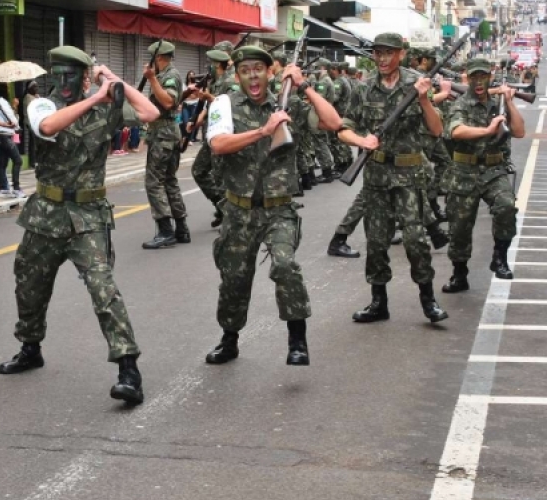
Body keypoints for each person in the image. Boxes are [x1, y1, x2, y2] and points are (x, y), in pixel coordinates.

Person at [0, 45, 160, 406]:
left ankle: (128, 369)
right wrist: (96, 98)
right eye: (58, 75)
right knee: (29, 286)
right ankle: (30, 347)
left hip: (88, 217)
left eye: (72, 75)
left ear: (86, 77)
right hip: (46, 213)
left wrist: (117, 84)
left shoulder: (107, 108)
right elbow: (47, 126)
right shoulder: (41, 103)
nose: (63, 82)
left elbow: (150, 112)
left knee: (104, 290)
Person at [203, 46, 341, 367]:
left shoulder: (288, 102)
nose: (253, 75)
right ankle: (229, 338)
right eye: (246, 70)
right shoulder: (225, 104)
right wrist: (263, 131)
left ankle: (297, 339)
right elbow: (219, 144)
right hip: (239, 209)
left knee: (285, 265)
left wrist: (304, 85)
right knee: (235, 278)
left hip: (279, 208)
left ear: (270, 72)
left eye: (259, 69)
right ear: (237, 76)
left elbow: (332, 123)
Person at [337, 32, 449, 324]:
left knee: (415, 241)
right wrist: (361, 142)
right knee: (375, 242)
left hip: (409, 177)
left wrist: (424, 99)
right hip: (376, 176)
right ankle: (378, 302)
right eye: (378, 53)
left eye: (389, 53)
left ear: (401, 54)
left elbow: (437, 130)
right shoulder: (364, 89)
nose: (383, 58)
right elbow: (343, 128)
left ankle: (428, 299)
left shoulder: (417, 83)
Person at [441, 58, 523, 292]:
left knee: (506, 206)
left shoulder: (498, 102)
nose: (478, 81)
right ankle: (459, 273)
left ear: (490, 77)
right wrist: (487, 130)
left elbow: (519, 131)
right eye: (474, 76)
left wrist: (509, 102)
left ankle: (499, 258)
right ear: (467, 77)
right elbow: (456, 130)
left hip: (493, 170)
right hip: (464, 171)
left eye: (483, 76)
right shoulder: (461, 103)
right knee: (459, 226)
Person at [141, 41, 189, 249]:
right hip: (163, 133)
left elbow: (168, 102)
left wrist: (151, 79)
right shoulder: (166, 75)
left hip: (164, 134)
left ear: (159, 58)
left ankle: (165, 230)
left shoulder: (170, 76)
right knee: (169, 180)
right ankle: (181, 228)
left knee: (154, 181)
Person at [189, 49, 231, 228]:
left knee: (221, 178)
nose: (209, 67)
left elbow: (229, 105)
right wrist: (196, 121)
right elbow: (208, 107)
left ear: (218, 64)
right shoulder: (213, 82)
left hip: (222, 135)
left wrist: (209, 97)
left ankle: (230, 216)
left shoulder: (229, 83)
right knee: (198, 170)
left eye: (212, 64)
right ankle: (220, 205)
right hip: (209, 135)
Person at [0, 92, 25, 198]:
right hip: (5, 134)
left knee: (2, 162)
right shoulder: (2, 101)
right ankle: (16, 188)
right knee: (18, 160)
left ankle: (3, 188)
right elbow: (13, 119)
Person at [181, 70, 199, 143]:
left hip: (194, 105)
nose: (191, 76)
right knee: (185, 122)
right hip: (186, 105)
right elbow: (183, 95)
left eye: (192, 75)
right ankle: (186, 137)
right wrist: (190, 95)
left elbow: (196, 96)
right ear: (187, 76)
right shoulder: (184, 85)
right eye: (189, 75)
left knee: (192, 122)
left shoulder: (197, 84)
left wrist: (188, 95)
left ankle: (190, 139)